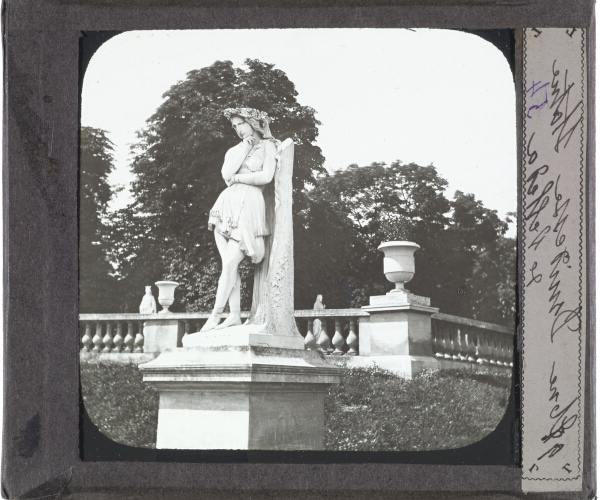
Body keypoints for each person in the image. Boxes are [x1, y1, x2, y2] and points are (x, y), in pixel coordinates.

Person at [201, 107, 279, 332]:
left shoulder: (269, 145)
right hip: (226, 205)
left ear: (252, 122)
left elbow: (267, 176)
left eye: (240, 124)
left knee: (230, 262)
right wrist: (245, 147)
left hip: (250, 205)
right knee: (228, 265)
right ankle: (233, 314)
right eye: (234, 126)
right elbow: (226, 174)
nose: (236, 129)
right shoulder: (235, 149)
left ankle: (215, 316)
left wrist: (238, 177)